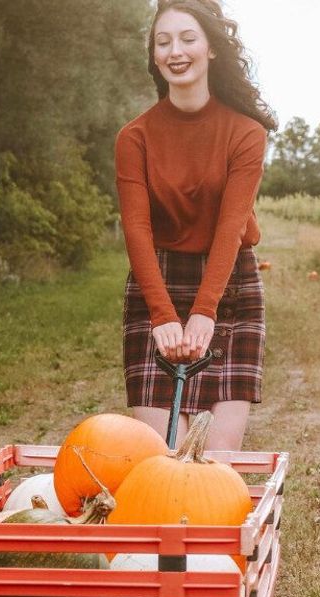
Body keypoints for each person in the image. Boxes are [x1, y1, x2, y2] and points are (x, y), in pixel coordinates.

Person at [115, 0, 276, 451]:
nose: (175, 51)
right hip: (157, 284)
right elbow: (136, 229)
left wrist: (206, 308)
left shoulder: (246, 133)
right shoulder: (135, 136)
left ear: (211, 50)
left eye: (188, 39)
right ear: (153, 56)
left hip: (229, 285)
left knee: (215, 467)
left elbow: (230, 228)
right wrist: (162, 314)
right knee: (162, 460)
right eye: (163, 42)